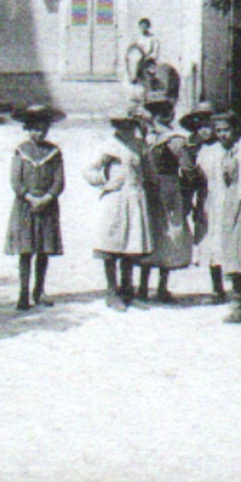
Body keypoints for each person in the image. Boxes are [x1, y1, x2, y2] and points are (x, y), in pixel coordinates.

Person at [85, 101, 154, 311]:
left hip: (135, 199)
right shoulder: (108, 146)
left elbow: (149, 171)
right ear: (116, 126)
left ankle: (128, 291)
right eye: (122, 125)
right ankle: (112, 291)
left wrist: (151, 188)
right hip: (115, 201)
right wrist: (104, 183)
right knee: (112, 245)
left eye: (130, 124)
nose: (126, 129)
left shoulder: (140, 145)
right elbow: (89, 169)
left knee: (130, 245)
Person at [198, 110, 241, 323]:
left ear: (236, 129)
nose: (222, 135)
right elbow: (203, 180)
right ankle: (239, 304)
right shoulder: (210, 152)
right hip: (223, 209)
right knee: (231, 256)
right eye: (218, 131)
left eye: (226, 130)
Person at [6, 103, 66, 311]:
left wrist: (48, 197)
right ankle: (23, 293)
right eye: (33, 129)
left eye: (42, 129)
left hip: (47, 206)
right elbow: (15, 180)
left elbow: (59, 181)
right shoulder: (21, 151)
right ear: (27, 129)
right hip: (26, 206)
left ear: (48, 129)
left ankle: (38, 290)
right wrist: (29, 197)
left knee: (43, 250)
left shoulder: (54, 151)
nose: (38, 133)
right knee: (26, 250)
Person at [138, 106, 194, 303]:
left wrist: (185, 194)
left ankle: (162, 287)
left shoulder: (175, 140)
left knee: (167, 235)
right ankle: (142, 287)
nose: (159, 118)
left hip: (168, 189)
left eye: (164, 114)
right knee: (149, 232)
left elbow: (188, 169)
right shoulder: (146, 137)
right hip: (148, 189)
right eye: (156, 113)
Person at [180, 102, 225, 302]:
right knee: (210, 242)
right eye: (200, 127)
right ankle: (218, 288)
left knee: (226, 241)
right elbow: (190, 178)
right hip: (206, 200)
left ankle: (240, 289)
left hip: (224, 198)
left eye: (209, 126)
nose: (205, 131)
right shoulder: (195, 150)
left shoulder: (224, 147)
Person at [126, 17, 161, 85]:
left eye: (145, 26)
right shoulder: (137, 37)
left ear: (148, 27)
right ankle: (133, 77)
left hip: (148, 59)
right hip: (138, 57)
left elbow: (155, 51)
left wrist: (149, 57)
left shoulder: (152, 38)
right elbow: (131, 48)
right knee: (133, 61)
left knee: (150, 70)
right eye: (142, 26)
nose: (144, 28)